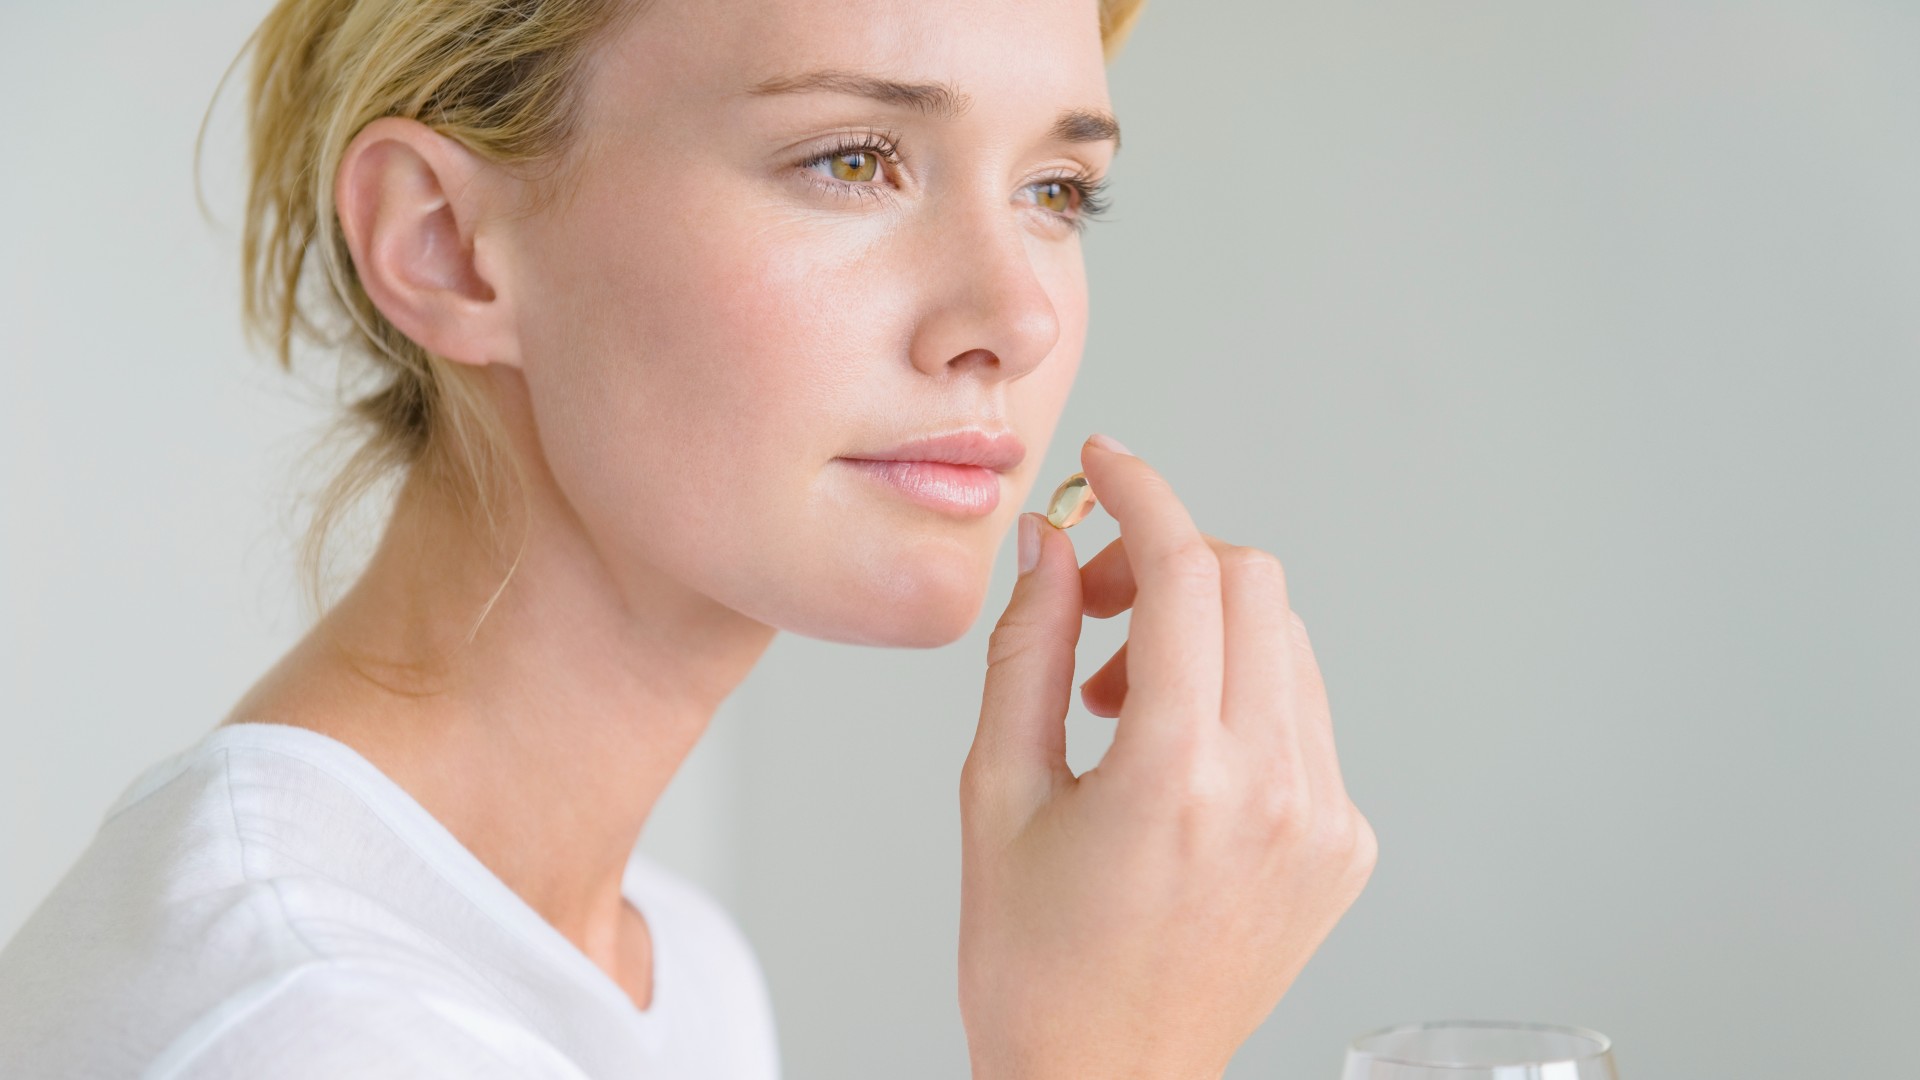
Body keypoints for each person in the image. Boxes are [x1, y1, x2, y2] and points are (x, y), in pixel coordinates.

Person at [0, 0, 1377, 1076]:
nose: (1013, 319)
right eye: (856, 159)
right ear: (444, 245)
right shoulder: (309, 1032)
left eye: (1058, 190)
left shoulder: (675, 976)